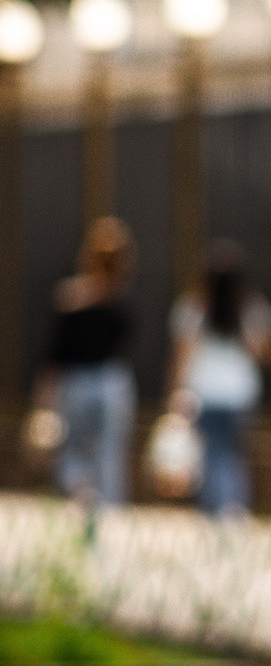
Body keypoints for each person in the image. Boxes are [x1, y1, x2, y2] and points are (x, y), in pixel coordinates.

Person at [168, 241, 271, 518]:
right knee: (233, 455)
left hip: (205, 391)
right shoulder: (252, 308)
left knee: (212, 455)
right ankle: (233, 508)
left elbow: (183, 355)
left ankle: (216, 511)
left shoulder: (193, 308)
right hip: (239, 393)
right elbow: (266, 353)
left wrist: (176, 392)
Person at [42, 217, 138, 520]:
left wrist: (43, 400)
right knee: (109, 454)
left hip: (76, 383)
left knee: (72, 450)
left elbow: (55, 352)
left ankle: (81, 495)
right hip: (111, 382)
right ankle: (107, 514)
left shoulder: (70, 298)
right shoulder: (120, 301)